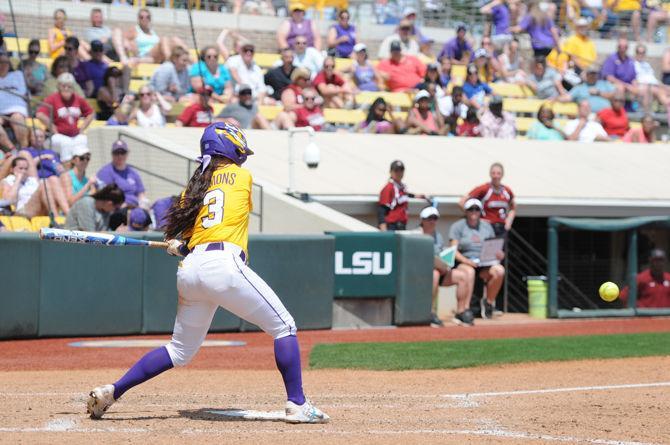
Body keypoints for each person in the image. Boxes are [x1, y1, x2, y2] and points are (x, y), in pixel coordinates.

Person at [86, 122, 330, 424]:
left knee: (178, 350)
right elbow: (222, 216)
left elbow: (195, 230)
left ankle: (113, 391)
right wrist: (185, 242)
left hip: (190, 270)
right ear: (228, 146)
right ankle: (297, 404)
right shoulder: (242, 176)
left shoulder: (195, 184)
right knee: (284, 327)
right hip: (222, 263)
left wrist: (181, 245)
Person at [449, 198, 505, 322]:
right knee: (469, 272)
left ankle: (489, 303)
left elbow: (492, 246)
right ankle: (465, 309)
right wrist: (467, 261)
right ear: (466, 211)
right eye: (470, 209)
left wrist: (499, 254)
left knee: (499, 271)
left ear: (480, 211)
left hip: (484, 262)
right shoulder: (458, 226)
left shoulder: (487, 227)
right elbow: (453, 251)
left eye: (477, 209)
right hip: (465, 261)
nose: (474, 212)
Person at [417, 206, 471, 328]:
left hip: (441, 270)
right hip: (422, 273)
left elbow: (441, 254)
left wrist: (446, 260)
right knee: (435, 274)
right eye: (429, 218)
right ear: (422, 220)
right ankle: (429, 312)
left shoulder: (438, 235)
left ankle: (461, 312)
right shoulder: (416, 235)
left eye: (435, 218)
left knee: (462, 276)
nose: (432, 221)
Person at [36, 73, 94, 163]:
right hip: (57, 136)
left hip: (75, 135)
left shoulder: (78, 99)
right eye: (64, 86)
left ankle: (81, 171)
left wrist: (82, 128)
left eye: (69, 86)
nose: (66, 88)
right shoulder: (52, 98)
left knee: (83, 141)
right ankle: (66, 172)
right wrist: (52, 127)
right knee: (66, 144)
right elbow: (40, 114)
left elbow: (90, 113)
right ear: (59, 86)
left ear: (73, 87)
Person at [112, 8, 187, 65]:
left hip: (156, 57)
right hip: (145, 56)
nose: (144, 19)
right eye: (142, 17)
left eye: (147, 17)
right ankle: (170, 63)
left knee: (175, 39)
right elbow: (122, 38)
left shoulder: (152, 31)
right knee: (164, 39)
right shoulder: (135, 30)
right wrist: (128, 44)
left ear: (150, 19)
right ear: (138, 19)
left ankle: (190, 59)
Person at [460, 163, 516, 237]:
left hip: (502, 228)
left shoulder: (507, 191)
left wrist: (509, 221)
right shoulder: (484, 189)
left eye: (498, 173)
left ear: (502, 175)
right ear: (490, 174)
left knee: (500, 248)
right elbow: (462, 202)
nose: (496, 176)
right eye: (493, 173)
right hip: (486, 227)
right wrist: (473, 217)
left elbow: (513, 208)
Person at [96, 139, 146, 208]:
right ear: (112, 154)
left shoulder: (133, 172)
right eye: (117, 153)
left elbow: (141, 194)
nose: (120, 156)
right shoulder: (105, 172)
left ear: (127, 154)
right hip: (117, 208)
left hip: (135, 207)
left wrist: (143, 204)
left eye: (123, 152)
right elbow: (103, 197)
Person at [378, 160, 425, 231]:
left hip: (401, 225)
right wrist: (383, 229)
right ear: (391, 172)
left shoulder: (401, 187)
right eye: (396, 170)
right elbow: (382, 210)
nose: (399, 173)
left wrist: (416, 196)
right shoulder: (388, 188)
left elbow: (404, 195)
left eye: (401, 170)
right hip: (392, 226)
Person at [633, 44, 670, 127]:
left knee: (666, 90)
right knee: (649, 89)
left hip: (653, 85)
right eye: (639, 52)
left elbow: (654, 79)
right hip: (642, 86)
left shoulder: (647, 65)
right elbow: (633, 79)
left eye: (643, 52)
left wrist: (664, 86)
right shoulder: (633, 64)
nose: (641, 54)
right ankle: (648, 116)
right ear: (635, 53)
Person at [0, 51, 29, 148]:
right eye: (0, 62)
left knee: (18, 119)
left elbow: (22, 92)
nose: (3, 65)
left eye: (5, 62)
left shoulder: (18, 75)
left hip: (16, 109)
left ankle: (24, 149)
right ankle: (12, 150)